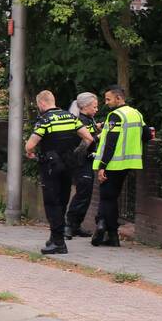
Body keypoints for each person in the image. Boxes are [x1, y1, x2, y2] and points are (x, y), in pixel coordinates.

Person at [25, 90, 94, 254]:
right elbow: (89, 138)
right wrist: (76, 153)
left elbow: (30, 145)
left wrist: (30, 153)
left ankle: (58, 242)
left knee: (52, 203)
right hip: (68, 165)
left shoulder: (45, 120)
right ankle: (55, 237)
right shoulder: (71, 117)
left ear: (42, 103)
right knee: (62, 201)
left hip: (50, 166)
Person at [92, 85, 148, 247]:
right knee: (112, 197)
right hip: (128, 163)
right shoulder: (136, 113)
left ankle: (107, 229)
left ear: (118, 98)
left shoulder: (115, 115)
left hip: (113, 164)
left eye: (108, 99)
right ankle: (109, 233)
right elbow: (146, 134)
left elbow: (110, 143)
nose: (106, 102)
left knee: (107, 198)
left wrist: (102, 165)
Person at [65, 92, 100, 239]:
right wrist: (99, 136)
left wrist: (99, 126)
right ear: (85, 106)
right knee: (82, 193)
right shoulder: (80, 120)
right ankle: (68, 225)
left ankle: (75, 225)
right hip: (80, 161)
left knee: (85, 194)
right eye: (94, 106)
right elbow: (85, 141)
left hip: (86, 161)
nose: (97, 109)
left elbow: (90, 131)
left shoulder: (88, 119)